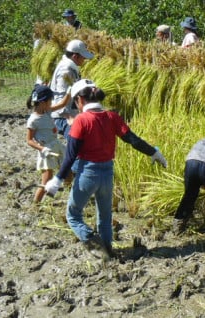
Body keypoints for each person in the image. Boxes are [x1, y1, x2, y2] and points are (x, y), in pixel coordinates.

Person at [44, 79, 168, 259]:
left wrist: (57, 180)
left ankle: (96, 245)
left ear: (80, 100)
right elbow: (133, 140)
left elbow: (71, 154)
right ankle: (108, 249)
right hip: (108, 174)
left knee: (73, 215)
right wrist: (154, 153)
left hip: (88, 174)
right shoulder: (112, 117)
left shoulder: (81, 120)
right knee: (104, 216)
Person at [26, 84, 71, 203]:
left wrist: (69, 92)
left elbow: (62, 104)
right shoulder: (33, 120)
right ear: (42, 102)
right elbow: (29, 140)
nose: (52, 102)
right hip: (46, 150)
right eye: (50, 100)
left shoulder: (48, 111)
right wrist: (42, 149)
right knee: (47, 179)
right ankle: (36, 203)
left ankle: (71, 195)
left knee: (67, 170)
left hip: (56, 145)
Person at [49, 39, 94, 141]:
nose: (84, 60)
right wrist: (68, 117)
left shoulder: (70, 67)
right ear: (75, 56)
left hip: (69, 114)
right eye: (83, 57)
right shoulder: (66, 70)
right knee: (75, 143)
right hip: (63, 117)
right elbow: (62, 95)